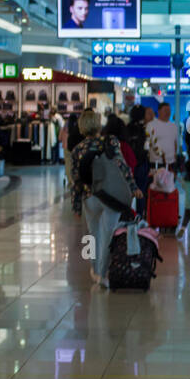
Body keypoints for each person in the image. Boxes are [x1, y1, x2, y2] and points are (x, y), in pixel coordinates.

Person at [72, 109, 137, 287]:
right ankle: (103, 273)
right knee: (108, 235)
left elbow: (76, 181)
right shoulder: (111, 141)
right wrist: (133, 188)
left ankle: (94, 270)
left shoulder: (78, 149)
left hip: (89, 197)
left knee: (92, 236)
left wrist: (76, 206)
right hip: (110, 194)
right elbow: (123, 167)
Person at [146, 101, 180, 171]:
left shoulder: (174, 126)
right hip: (157, 163)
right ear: (159, 111)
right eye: (165, 110)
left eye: (169, 110)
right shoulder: (151, 125)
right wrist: (162, 155)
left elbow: (175, 143)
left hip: (171, 163)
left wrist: (175, 155)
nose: (167, 112)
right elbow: (150, 143)